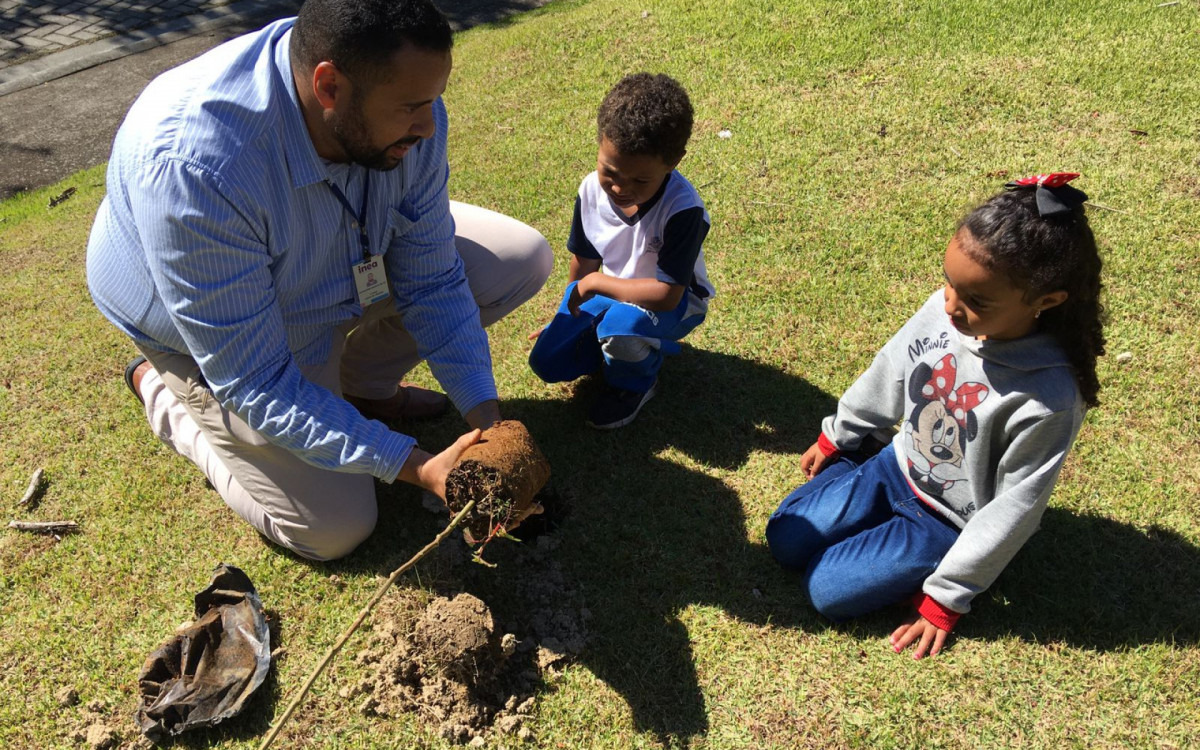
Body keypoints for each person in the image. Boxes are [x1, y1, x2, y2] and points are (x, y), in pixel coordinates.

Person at [85, 0, 552, 561]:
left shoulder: (408, 113)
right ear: (328, 86)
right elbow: (257, 379)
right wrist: (418, 466)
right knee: (334, 529)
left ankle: (361, 387)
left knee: (517, 258)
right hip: (227, 329)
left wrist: (488, 424)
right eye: (410, 107)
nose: (429, 126)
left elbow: (431, 278)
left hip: (336, 266)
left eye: (432, 101)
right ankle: (169, 398)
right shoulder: (197, 167)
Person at [765, 174, 1106, 658]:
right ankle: (857, 467)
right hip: (893, 467)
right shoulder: (944, 311)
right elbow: (890, 371)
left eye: (976, 300)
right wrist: (839, 436)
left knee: (827, 591)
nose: (950, 305)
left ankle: (919, 565)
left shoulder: (1049, 399)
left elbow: (1015, 510)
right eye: (949, 284)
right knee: (784, 540)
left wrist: (947, 596)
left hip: (946, 522)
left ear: (1045, 302)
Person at [527, 73, 714, 429]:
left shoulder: (683, 209)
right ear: (599, 144)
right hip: (613, 294)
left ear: (673, 162)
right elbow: (584, 261)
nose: (619, 187)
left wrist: (597, 284)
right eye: (609, 171)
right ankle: (616, 348)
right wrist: (565, 315)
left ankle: (636, 382)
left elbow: (667, 295)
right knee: (548, 362)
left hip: (676, 305)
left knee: (623, 325)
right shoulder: (589, 191)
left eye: (640, 181)